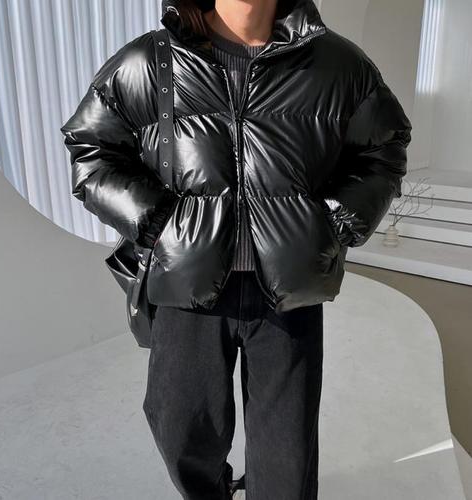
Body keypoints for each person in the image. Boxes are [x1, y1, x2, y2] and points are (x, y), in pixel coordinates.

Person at [60, 0, 412, 498]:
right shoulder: (151, 61)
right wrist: (160, 223)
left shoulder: (337, 64)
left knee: (287, 452)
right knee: (181, 431)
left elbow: (384, 146)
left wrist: (334, 223)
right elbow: (91, 148)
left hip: (288, 289)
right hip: (188, 282)